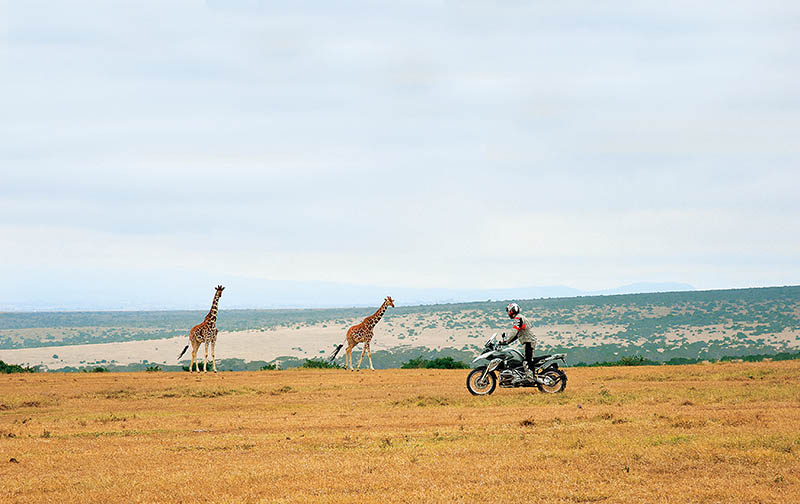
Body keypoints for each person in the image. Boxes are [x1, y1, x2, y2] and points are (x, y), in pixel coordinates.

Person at [500, 302, 537, 382]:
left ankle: (530, 379)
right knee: (526, 359)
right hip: (529, 341)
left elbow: (514, 331)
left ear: (511, 311)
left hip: (529, 341)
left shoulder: (518, 318)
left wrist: (506, 340)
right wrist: (507, 342)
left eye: (508, 311)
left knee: (527, 361)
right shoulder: (520, 317)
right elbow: (516, 335)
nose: (508, 313)